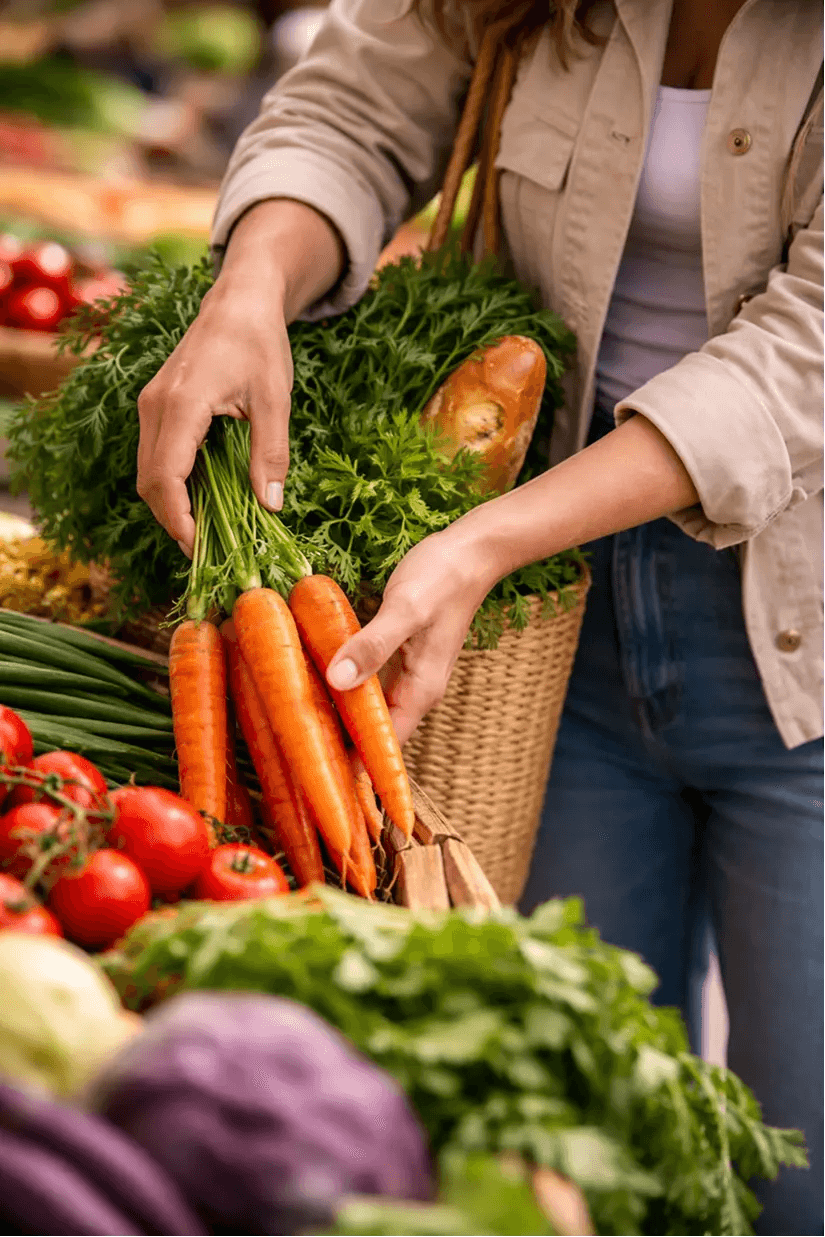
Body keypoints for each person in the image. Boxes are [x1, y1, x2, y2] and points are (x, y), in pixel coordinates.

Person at [135, 0, 823, 1231]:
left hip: (798, 639)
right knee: (579, 1132)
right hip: (543, 641)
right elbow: (352, 111)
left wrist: (485, 542)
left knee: (797, 1166)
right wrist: (248, 289)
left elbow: (800, 356)